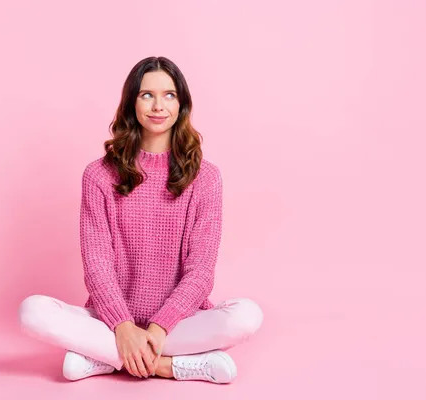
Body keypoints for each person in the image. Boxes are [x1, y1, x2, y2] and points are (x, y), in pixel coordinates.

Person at [18, 56, 264, 384]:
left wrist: (160, 327)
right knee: (32, 311)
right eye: (147, 94)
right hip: (110, 321)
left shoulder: (206, 178)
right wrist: (123, 327)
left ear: (182, 105)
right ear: (131, 103)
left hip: (178, 323)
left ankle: (105, 357)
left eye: (169, 95)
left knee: (246, 316)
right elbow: (97, 265)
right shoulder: (99, 175)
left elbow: (201, 272)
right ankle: (171, 366)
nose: (158, 105)